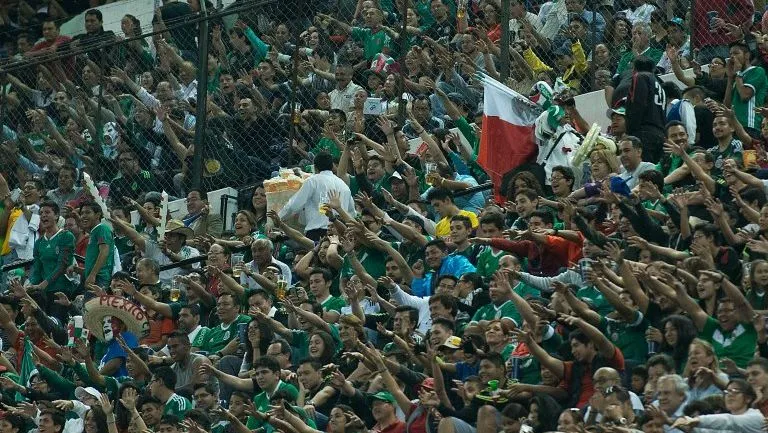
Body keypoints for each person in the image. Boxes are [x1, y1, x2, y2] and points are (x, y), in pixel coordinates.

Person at [279, 152, 356, 241]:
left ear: (315, 167)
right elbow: (352, 212)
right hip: (340, 233)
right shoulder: (343, 185)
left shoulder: (312, 181)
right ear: (332, 166)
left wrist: (277, 218)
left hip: (317, 233)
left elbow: (294, 206)